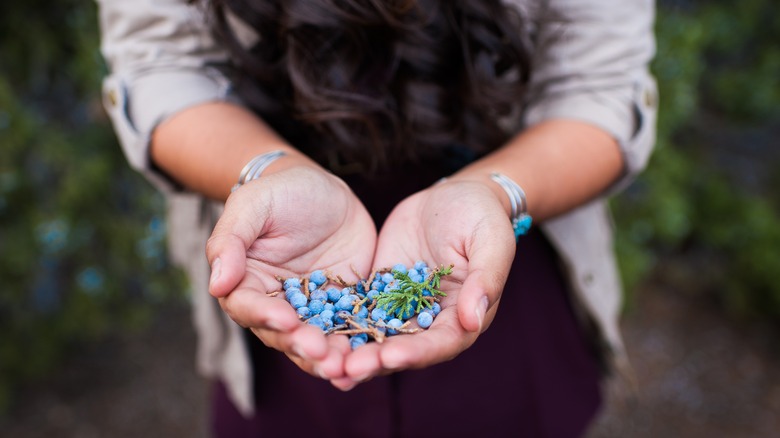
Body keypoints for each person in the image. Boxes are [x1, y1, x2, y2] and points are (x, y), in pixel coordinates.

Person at [97, 0, 657, 436]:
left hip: (496, 244)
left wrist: (494, 192)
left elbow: (599, 91)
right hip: (286, 245)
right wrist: (270, 172)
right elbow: (160, 66)